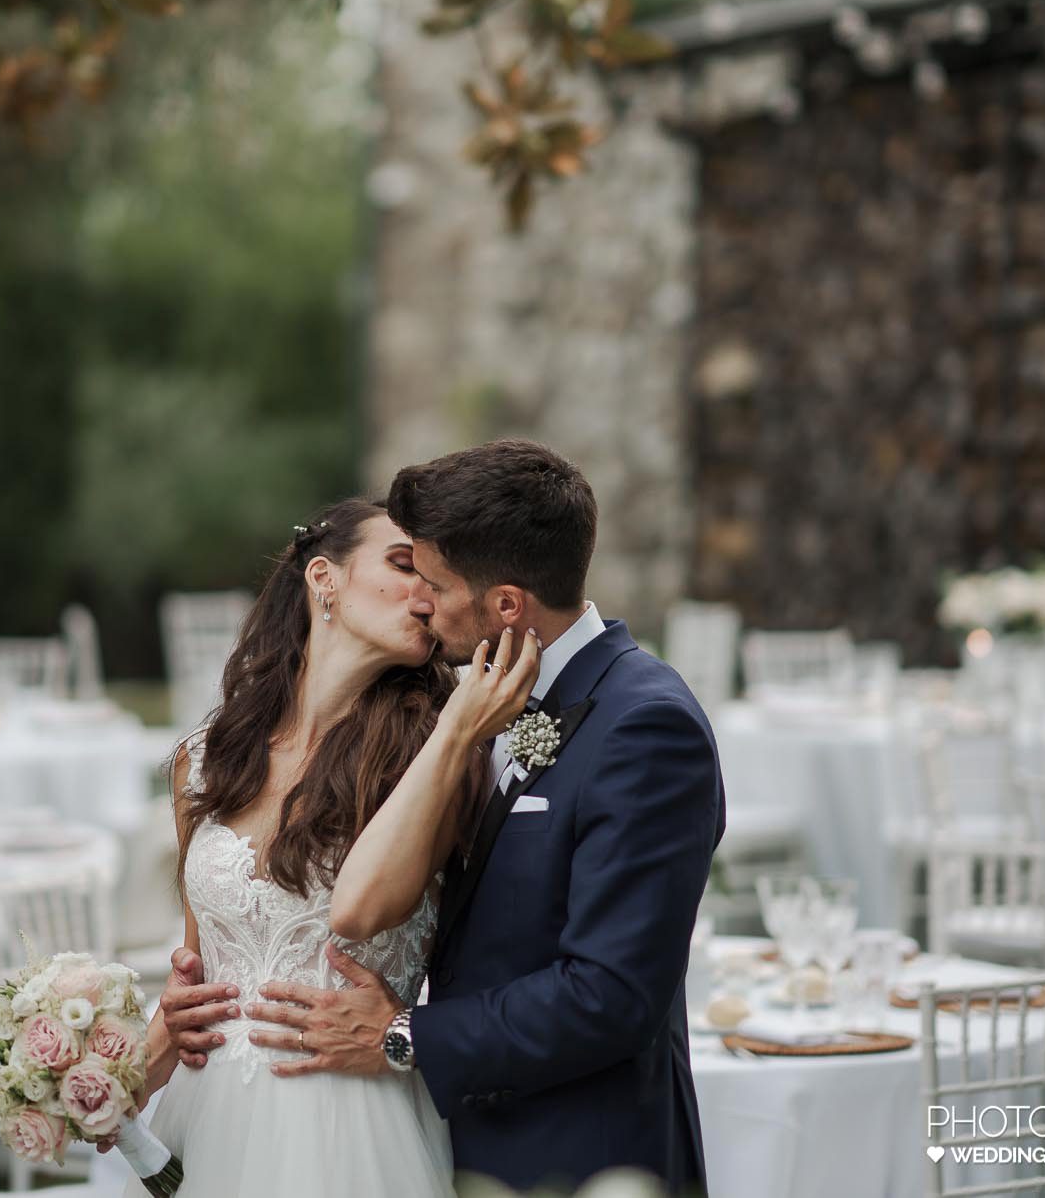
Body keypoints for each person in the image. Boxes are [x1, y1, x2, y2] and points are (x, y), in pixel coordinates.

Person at [197, 440, 727, 1194]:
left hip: (584, 1153)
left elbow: (611, 995)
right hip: (459, 1138)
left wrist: (405, 1036)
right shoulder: (477, 701)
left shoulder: (644, 724)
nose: (425, 601)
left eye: (436, 583)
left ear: (507, 604)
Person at [127, 495, 541, 1197]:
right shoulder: (205, 758)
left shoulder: (439, 754)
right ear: (325, 577)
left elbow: (369, 907)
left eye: (437, 581)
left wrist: (457, 730)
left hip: (352, 1125)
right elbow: (198, 956)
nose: (426, 594)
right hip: (210, 1109)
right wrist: (163, 1028)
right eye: (404, 565)